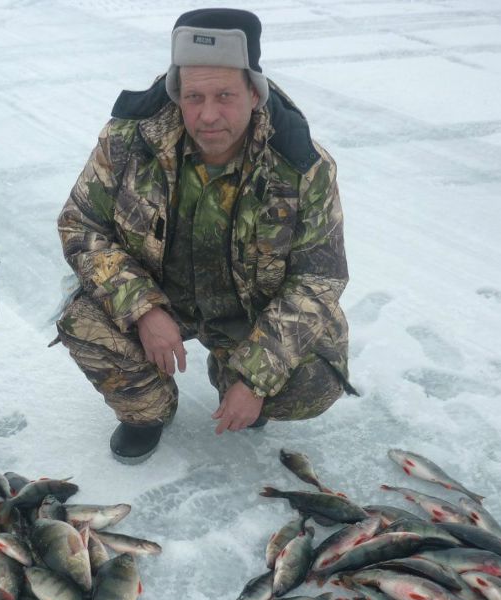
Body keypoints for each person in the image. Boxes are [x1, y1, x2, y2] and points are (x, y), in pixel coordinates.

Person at [56, 8, 355, 464]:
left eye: (225, 95)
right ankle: (146, 411)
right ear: (176, 94)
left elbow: (318, 281)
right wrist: (143, 309)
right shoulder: (127, 140)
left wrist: (256, 377)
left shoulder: (301, 165)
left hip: (245, 308)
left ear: (255, 93)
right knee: (83, 322)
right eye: (193, 96)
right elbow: (81, 224)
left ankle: (232, 373)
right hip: (161, 294)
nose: (208, 115)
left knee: (313, 380)